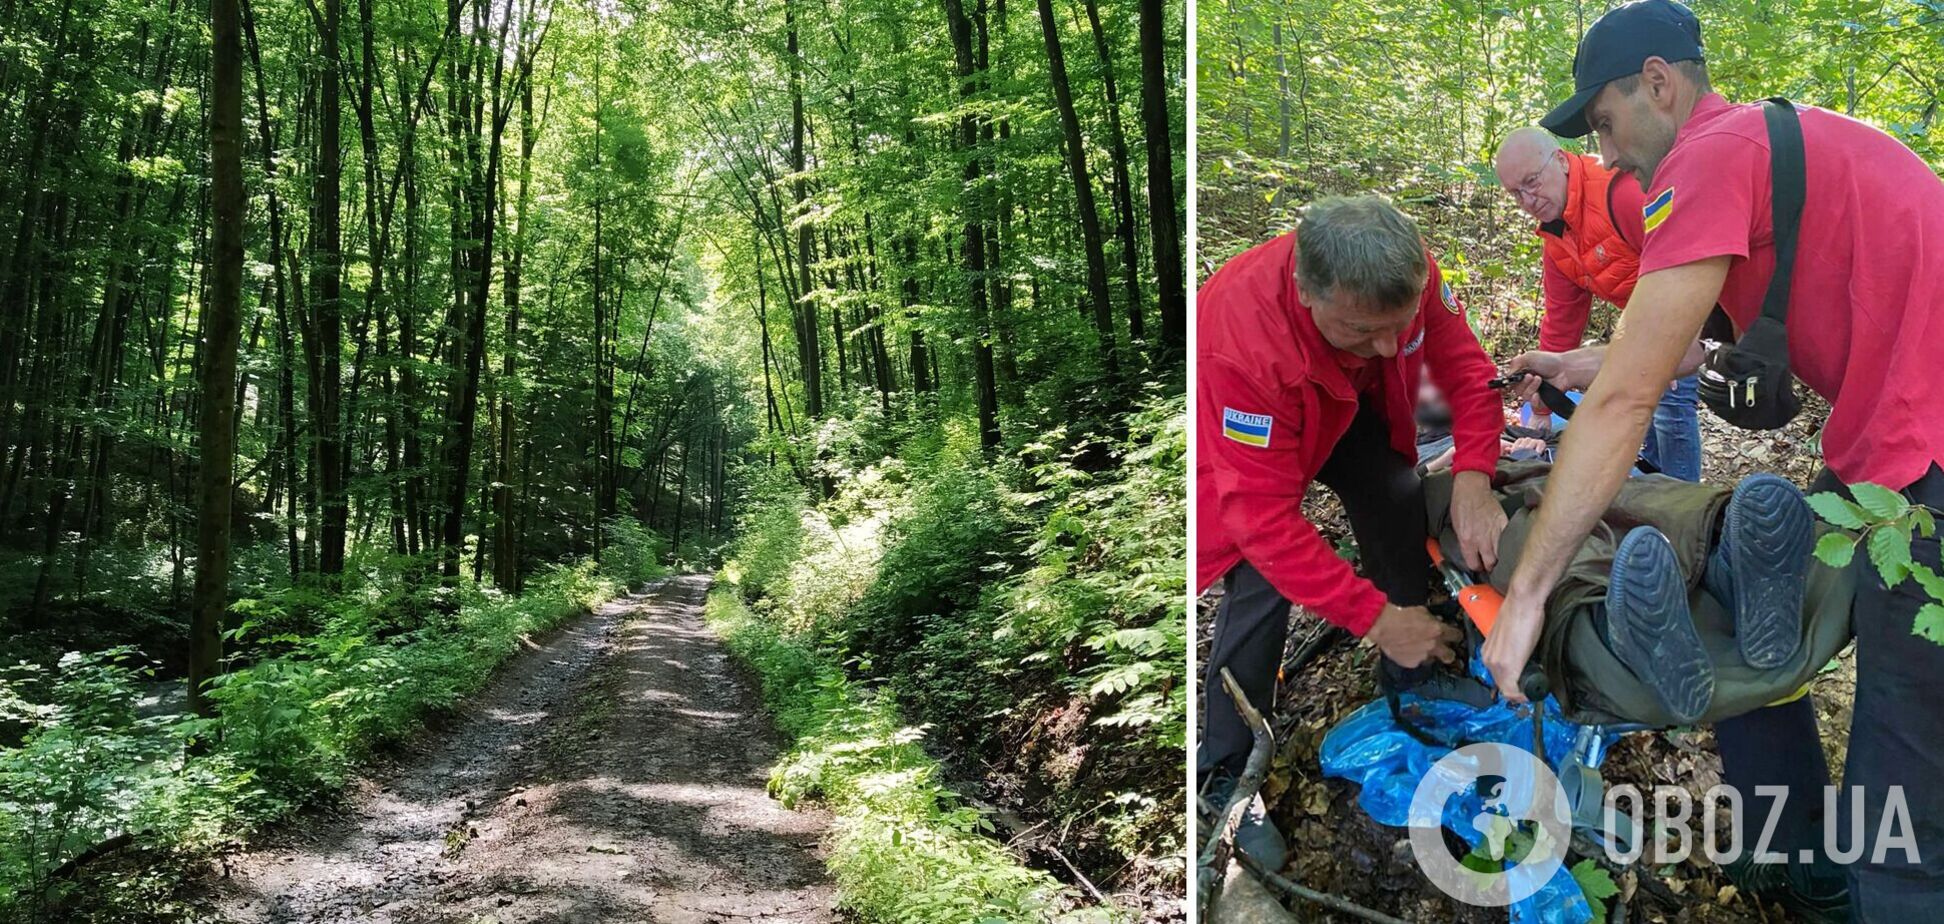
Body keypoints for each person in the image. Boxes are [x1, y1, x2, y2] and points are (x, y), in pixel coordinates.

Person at [1482, 2, 1944, 919]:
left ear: (1659, 83)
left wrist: (1526, 593)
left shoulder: (1705, 157)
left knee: (1906, 758)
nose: (1606, 155)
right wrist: (1568, 364)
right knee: (1746, 612)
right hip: (1885, 446)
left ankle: (1880, 892)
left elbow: (1627, 402)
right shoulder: (1761, 144)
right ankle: (1800, 861)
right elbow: (1674, 348)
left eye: (1606, 125)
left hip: (1919, 457)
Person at [1196, 196, 1508, 868]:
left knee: (1393, 488)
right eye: (1361, 330)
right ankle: (1227, 770)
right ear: (1307, 293)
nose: (1390, 347)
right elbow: (1262, 520)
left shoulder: (1409, 270)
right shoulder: (1239, 337)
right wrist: (1373, 615)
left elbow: (1464, 368)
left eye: (1399, 327)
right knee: (1258, 582)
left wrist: (1477, 473)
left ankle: (1409, 673)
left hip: (1344, 407)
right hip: (1262, 419)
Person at [1492, 127, 1703, 481]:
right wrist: (1543, 400)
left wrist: (1667, 350)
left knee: (1671, 406)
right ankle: (1653, 490)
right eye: (1516, 193)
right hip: (1643, 321)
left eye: (1532, 182)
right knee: (1641, 404)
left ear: (1559, 160)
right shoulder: (1555, 237)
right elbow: (1562, 322)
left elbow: (1683, 263)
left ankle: (1690, 509)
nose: (1527, 199)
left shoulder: (1617, 193)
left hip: (1689, 309)